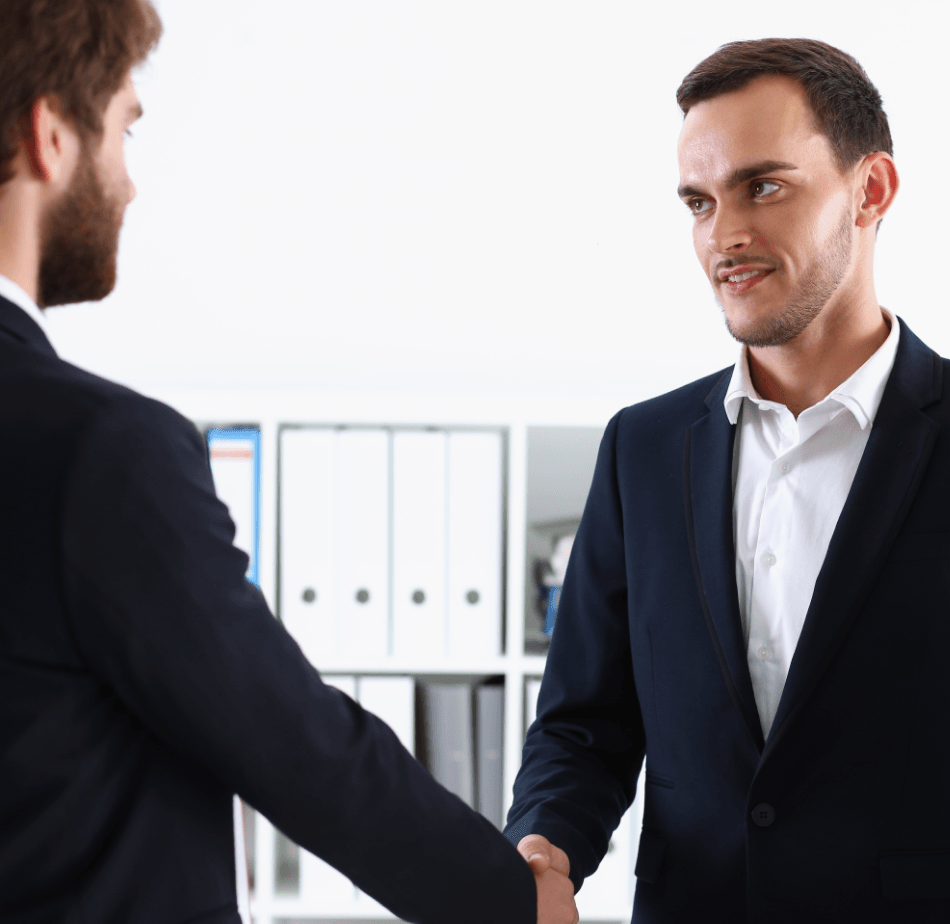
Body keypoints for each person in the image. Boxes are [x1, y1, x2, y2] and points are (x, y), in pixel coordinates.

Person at [505, 38, 950, 923]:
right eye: (699, 202)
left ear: (871, 191)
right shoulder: (642, 447)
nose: (723, 235)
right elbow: (583, 723)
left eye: (763, 187)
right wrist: (543, 847)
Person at [0, 3, 576, 923]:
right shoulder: (95, 449)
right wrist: (513, 901)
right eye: (124, 131)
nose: (131, 186)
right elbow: (289, 740)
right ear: (51, 136)